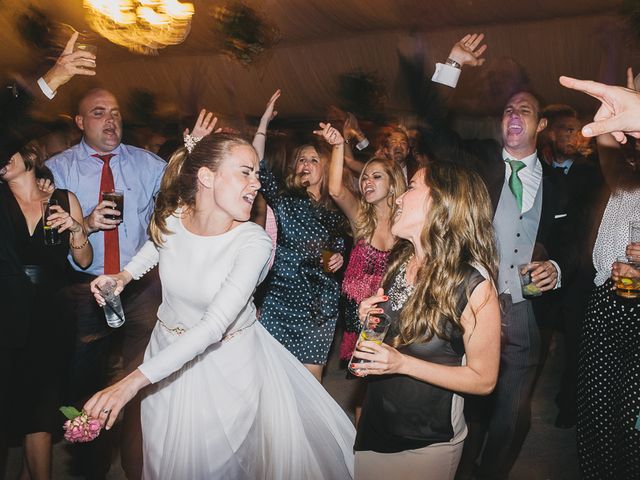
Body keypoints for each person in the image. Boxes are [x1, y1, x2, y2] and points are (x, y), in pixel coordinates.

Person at [83, 132, 355, 479]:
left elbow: (213, 326)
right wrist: (122, 277)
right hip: (164, 355)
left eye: (257, 173)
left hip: (226, 365)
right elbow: (160, 243)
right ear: (207, 177)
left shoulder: (253, 243)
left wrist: (130, 381)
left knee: (217, 465)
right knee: (164, 456)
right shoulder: (175, 217)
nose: (256, 183)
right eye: (245, 171)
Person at [427, 34, 571, 480]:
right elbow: (433, 132)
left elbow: (572, 244)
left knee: (511, 414)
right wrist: (451, 64)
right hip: (474, 305)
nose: (513, 114)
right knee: (467, 409)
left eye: (524, 109)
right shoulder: (479, 162)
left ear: (541, 125)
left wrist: (558, 267)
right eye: (508, 109)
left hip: (526, 314)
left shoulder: (562, 184)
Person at [45, 88, 167, 478]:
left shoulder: (148, 164)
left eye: (115, 112)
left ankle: (138, 469)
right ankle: (90, 465)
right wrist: (88, 224)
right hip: (84, 287)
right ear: (80, 122)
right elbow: (42, 234)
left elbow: (181, 199)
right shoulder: (58, 169)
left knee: (142, 379)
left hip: (138, 286)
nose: (111, 120)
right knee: (87, 384)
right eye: (99, 113)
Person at [351, 163, 501, 480]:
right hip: (373, 429)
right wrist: (368, 317)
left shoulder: (473, 285)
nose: (399, 198)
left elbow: (484, 379)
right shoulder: (401, 260)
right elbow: (392, 334)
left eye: (412, 186)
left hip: (424, 444)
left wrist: (402, 364)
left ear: (441, 201)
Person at [0, 31, 95, 479]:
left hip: (51, 317)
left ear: (28, 154)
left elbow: (81, 259)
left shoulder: (61, 197)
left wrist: (78, 228)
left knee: (40, 411)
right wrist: (51, 79)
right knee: (11, 412)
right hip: (7, 319)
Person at [561, 71, 640, 479]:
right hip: (606, 302)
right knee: (596, 408)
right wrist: (615, 106)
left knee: (633, 419)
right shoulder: (623, 176)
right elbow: (607, 142)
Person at [256, 92, 346, 382]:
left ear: (325, 168)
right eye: (301, 159)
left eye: (314, 159)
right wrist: (263, 122)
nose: (306, 164)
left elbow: (339, 251)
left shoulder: (335, 213)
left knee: (310, 385)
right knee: (271, 382)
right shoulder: (283, 198)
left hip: (317, 308)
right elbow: (256, 164)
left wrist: (339, 260)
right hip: (279, 301)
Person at [322, 122, 406, 365]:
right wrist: (338, 145)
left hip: (392, 312)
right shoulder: (361, 217)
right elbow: (336, 191)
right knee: (362, 371)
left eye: (376, 177)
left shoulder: (405, 222)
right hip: (357, 311)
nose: (367, 182)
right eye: (365, 177)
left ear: (392, 184)